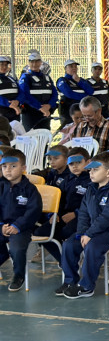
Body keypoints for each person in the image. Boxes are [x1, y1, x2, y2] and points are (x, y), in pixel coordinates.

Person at [58, 152, 109, 299]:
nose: (91, 173)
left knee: (92, 247)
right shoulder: (91, 189)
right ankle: (70, 281)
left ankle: (86, 286)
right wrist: (82, 233)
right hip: (92, 230)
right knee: (69, 245)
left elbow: (106, 218)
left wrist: (89, 234)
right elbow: (83, 213)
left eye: (95, 169)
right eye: (90, 170)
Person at [34, 148, 90, 264]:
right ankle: (64, 261)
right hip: (64, 215)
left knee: (65, 232)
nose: (75, 166)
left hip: (83, 217)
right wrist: (55, 214)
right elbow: (60, 200)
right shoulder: (67, 180)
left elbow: (92, 204)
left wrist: (75, 213)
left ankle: (71, 259)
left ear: (88, 162)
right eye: (71, 164)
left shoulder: (92, 180)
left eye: (78, 163)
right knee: (40, 232)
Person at [0, 150, 41, 292]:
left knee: (17, 248)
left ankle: (18, 275)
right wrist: (1, 226)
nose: (8, 170)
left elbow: (34, 211)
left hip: (22, 228)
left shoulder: (30, 189)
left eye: (13, 166)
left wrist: (18, 225)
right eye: (4, 166)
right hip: (2, 227)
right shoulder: (0, 186)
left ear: (23, 168)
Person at [18, 51, 57, 131]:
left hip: (46, 112)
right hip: (31, 113)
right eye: (32, 61)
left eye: (37, 61)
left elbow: (54, 94)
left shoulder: (47, 77)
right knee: (31, 138)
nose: (34, 64)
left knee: (45, 137)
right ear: (28, 63)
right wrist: (40, 107)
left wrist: (49, 105)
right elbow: (26, 95)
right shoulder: (26, 77)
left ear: (40, 62)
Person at [56, 59, 94, 127]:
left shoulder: (80, 80)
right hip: (67, 110)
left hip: (81, 110)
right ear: (65, 68)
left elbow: (91, 91)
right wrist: (85, 96)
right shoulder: (62, 80)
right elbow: (69, 94)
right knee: (68, 130)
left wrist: (79, 81)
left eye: (75, 66)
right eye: (71, 66)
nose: (74, 68)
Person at [0, 55, 21, 122]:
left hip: (14, 113)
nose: (4, 67)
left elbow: (21, 92)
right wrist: (11, 105)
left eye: (6, 65)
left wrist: (18, 101)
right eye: (1, 64)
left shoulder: (11, 79)